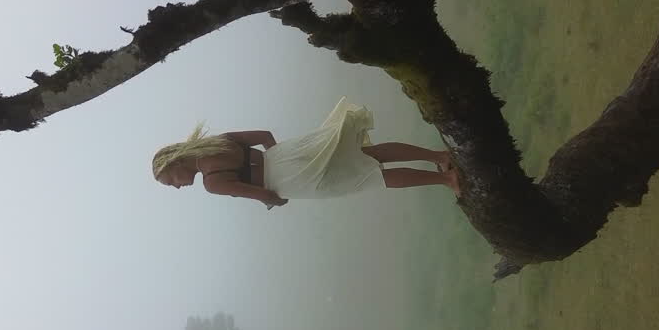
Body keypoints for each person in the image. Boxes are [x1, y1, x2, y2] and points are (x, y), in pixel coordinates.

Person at [151, 97, 459, 208]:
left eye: (171, 180)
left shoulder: (212, 182)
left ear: (176, 163)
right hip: (284, 154)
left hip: (290, 179)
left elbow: (264, 195)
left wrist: (276, 200)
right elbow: (264, 136)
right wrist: (282, 158)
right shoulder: (218, 142)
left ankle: (447, 180)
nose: (177, 186)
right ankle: (439, 157)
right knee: (370, 154)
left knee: (371, 177)